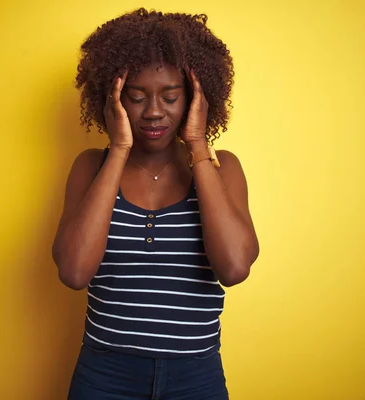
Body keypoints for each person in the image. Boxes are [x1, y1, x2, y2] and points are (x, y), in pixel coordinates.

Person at [52, 8, 259, 400]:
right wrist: (118, 150)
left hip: (196, 378)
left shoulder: (221, 168)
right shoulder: (90, 168)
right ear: (112, 99)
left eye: (170, 96)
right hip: (103, 375)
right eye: (136, 97)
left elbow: (233, 268)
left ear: (197, 98)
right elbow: (75, 272)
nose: (153, 111)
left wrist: (197, 143)